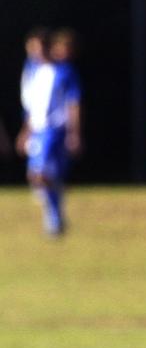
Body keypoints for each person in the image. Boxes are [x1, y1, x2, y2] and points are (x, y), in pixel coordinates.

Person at [16, 29, 82, 236]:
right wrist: (25, 131)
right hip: (37, 129)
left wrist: (74, 132)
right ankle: (55, 211)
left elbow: (73, 103)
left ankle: (54, 218)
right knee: (35, 176)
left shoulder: (63, 71)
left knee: (40, 174)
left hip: (55, 130)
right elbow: (31, 106)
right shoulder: (32, 71)